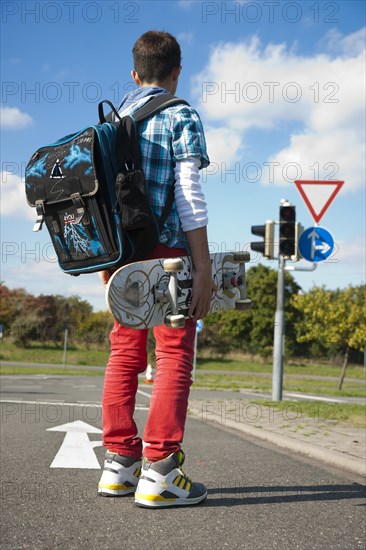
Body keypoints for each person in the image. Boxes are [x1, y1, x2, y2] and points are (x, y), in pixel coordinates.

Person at [97, 30, 215, 508]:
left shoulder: (115, 117)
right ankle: (161, 469)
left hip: (123, 256)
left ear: (134, 74)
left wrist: (107, 260)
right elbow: (188, 194)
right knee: (172, 356)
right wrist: (202, 267)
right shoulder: (181, 112)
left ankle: (118, 464)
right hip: (168, 254)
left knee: (124, 353)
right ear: (176, 72)